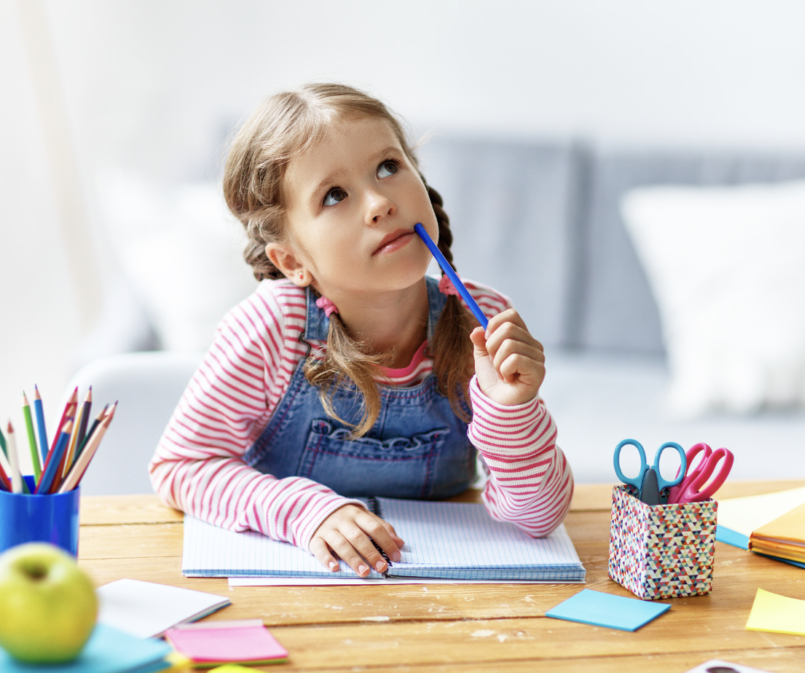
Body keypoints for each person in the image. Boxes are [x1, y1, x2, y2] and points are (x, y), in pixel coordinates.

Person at [149, 83, 573, 577]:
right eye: (334, 196)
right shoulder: (271, 329)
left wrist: (511, 412)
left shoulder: (480, 319)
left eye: (389, 167)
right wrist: (305, 511)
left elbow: (540, 517)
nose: (378, 202)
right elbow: (179, 468)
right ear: (291, 261)